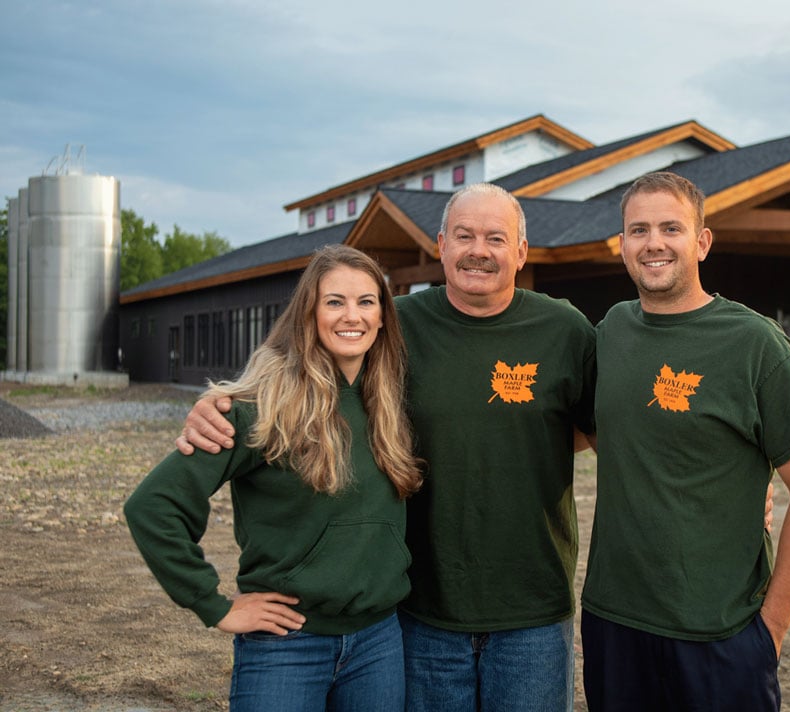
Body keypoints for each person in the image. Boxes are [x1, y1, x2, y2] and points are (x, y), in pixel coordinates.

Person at [177, 183, 598, 711]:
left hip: (534, 611)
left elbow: (601, 428)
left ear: (521, 251)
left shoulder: (564, 329)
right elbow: (308, 357)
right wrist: (223, 401)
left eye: (496, 237)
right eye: (464, 235)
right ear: (441, 244)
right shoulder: (395, 323)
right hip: (420, 611)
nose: (479, 250)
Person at [125, 245, 423, 712]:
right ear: (309, 312)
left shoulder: (390, 402)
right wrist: (215, 605)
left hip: (379, 643)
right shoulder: (261, 406)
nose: (353, 315)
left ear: (384, 316)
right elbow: (153, 506)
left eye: (367, 301)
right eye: (334, 301)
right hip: (286, 645)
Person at [579, 172, 790, 711]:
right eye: (638, 229)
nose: (654, 242)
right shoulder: (612, 332)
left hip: (722, 630)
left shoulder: (753, 343)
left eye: (671, 227)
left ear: (702, 241)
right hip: (615, 621)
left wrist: (770, 632)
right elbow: (601, 433)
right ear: (622, 245)